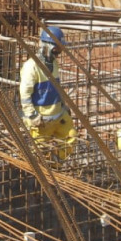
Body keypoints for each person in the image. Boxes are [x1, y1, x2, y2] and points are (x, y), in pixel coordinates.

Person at [19, 27, 77, 164]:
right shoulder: (31, 67)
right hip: (41, 120)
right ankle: (41, 172)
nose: (59, 52)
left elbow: (56, 87)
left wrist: (63, 105)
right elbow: (25, 94)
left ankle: (56, 165)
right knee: (39, 152)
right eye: (57, 48)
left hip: (58, 115)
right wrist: (32, 115)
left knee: (71, 137)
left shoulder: (54, 63)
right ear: (48, 46)